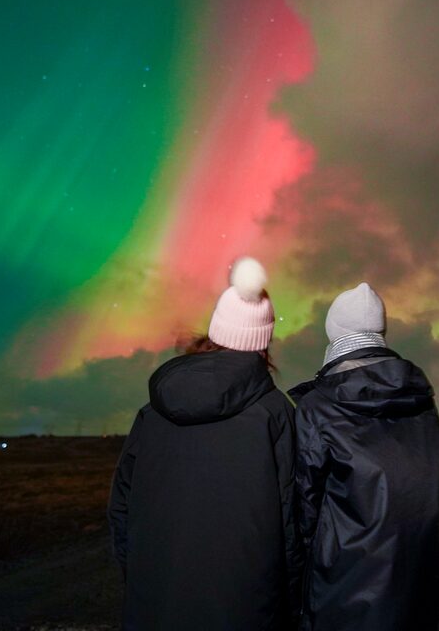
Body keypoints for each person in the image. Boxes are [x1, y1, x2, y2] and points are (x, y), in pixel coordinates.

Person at [107, 257, 301, 631]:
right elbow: (292, 521)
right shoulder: (276, 413)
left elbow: (121, 510)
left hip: (154, 606)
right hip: (247, 610)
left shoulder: (152, 411)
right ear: (264, 341)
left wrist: (140, 582)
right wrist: (289, 607)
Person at [289, 282, 439, 631]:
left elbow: (304, 510)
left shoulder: (318, 407)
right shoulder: (421, 399)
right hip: (415, 582)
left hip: (342, 586)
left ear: (334, 333)